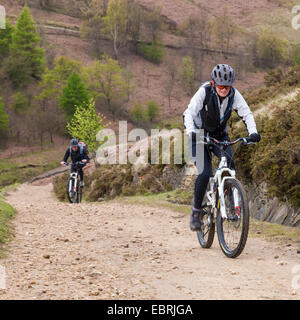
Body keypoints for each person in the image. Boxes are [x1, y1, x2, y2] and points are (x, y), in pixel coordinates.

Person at [183, 64, 261, 231]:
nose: (224, 89)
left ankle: (232, 204)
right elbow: (188, 113)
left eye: (227, 86)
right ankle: (196, 212)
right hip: (199, 135)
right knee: (205, 173)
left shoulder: (234, 94)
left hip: (220, 136)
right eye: (220, 86)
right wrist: (191, 132)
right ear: (213, 83)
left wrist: (253, 133)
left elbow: (247, 113)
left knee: (231, 166)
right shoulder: (204, 91)